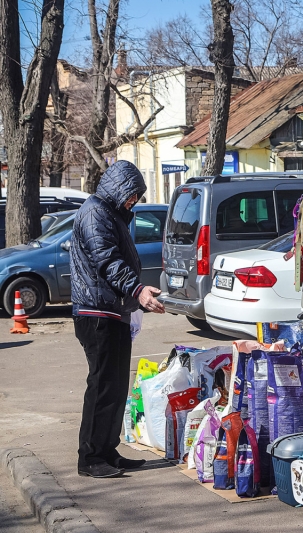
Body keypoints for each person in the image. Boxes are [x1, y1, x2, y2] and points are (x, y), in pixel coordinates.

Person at [70, 161, 165, 478]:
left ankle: (107, 450)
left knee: (116, 386)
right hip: (97, 313)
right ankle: (91, 457)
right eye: (131, 195)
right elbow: (108, 261)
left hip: (113, 310)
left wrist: (134, 297)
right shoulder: (96, 212)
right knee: (102, 385)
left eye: (137, 196)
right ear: (117, 188)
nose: (133, 201)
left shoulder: (110, 213)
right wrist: (137, 290)